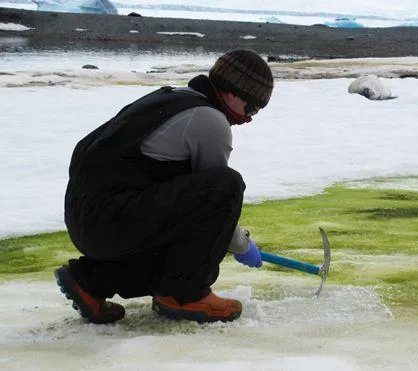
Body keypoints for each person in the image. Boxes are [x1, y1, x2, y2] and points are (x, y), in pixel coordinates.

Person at [54, 49, 274, 324]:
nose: (250, 118)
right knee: (227, 186)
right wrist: (242, 245)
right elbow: (217, 202)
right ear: (232, 93)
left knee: (178, 224)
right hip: (109, 218)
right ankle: (185, 293)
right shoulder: (209, 121)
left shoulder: (174, 99)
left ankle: (91, 281)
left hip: (90, 217)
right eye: (252, 108)